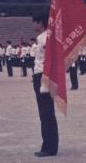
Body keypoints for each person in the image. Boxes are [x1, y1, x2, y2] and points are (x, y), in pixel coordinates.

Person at [31, 12, 58, 157]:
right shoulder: (45, 37)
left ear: (40, 23)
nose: (33, 25)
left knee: (46, 112)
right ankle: (50, 145)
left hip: (43, 76)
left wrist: (44, 80)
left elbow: (49, 59)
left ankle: (49, 147)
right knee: (47, 112)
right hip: (42, 75)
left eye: (34, 22)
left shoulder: (44, 38)